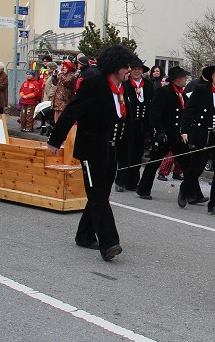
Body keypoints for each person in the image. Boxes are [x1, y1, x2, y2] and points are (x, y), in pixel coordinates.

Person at [46, 45, 138, 262]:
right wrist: (55, 140)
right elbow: (72, 111)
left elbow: (127, 122)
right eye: (126, 66)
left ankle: (84, 235)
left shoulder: (123, 89)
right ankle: (109, 242)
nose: (129, 70)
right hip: (92, 149)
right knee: (97, 196)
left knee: (101, 194)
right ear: (115, 66)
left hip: (111, 150)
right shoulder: (94, 84)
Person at [181, 61, 215, 214]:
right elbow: (189, 110)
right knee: (196, 168)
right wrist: (184, 130)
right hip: (202, 135)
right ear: (212, 76)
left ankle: (214, 205)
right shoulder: (200, 89)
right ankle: (184, 188)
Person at [137, 66, 193, 201]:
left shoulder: (182, 94)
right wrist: (160, 132)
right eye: (184, 77)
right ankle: (143, 189)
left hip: (177, 137)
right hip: (165, 135)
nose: (186, 79)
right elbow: (155, 113)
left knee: (188, 165)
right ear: (176, 79)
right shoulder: (164, 92)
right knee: (154, 163)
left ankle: (193, 194)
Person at [115, 56, 152, 193]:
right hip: (128, 124)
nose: (136, 71)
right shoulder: (125, 84)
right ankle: (120, 180)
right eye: (134, 69)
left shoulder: (148, 85)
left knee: (138, 154)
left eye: (139, 69)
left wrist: (150, 128)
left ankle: (132, 182)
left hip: (141, 125)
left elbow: (150, 107)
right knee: (125, 153)